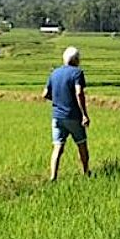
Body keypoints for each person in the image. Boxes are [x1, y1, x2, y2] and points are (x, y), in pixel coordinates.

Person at [42, 46, 90, 180]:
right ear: (76, 60)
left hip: (57, 117)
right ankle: (86, 172)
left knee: (57, 147)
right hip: (73, 116)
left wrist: (58, 99)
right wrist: (84, 114)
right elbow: (79, 92)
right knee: (81, 144)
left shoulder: (54, 73)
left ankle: (53, 176)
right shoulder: (77, 73)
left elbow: (45, 94)